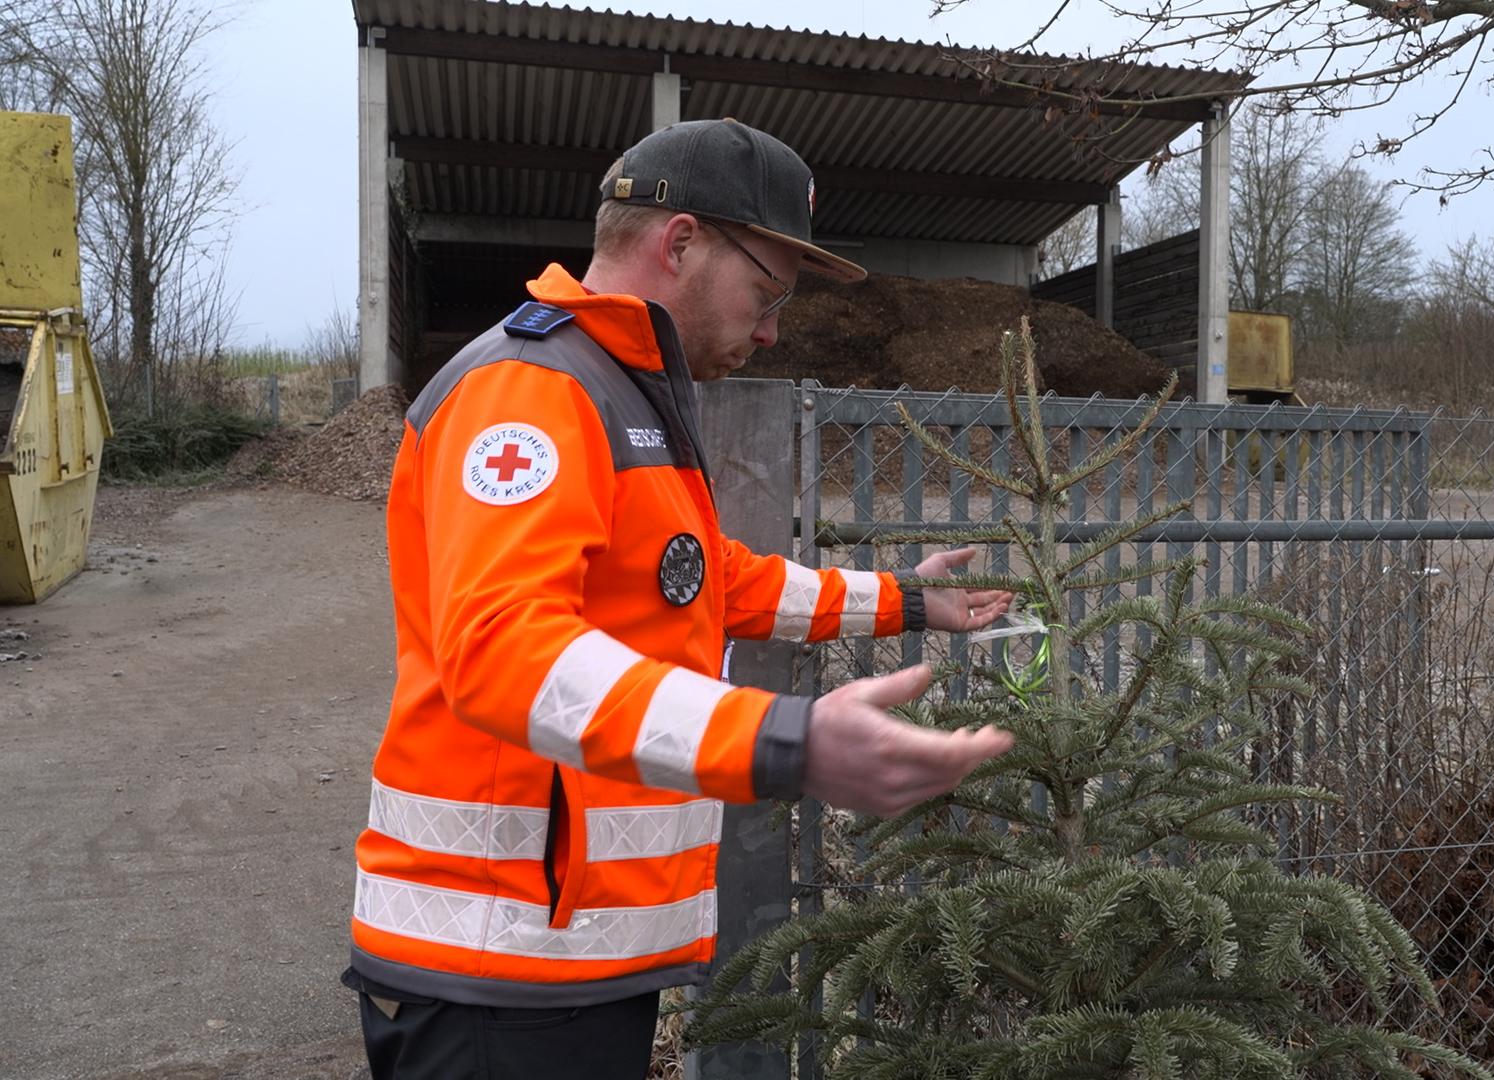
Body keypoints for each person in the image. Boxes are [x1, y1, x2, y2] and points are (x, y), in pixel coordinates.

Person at [341, 118, 1015, 1079]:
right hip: (494, 968)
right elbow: (502, 651)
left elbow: (701, 580)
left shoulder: (621, 389)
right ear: (682, 242)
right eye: (767, 289)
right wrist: (789, 741)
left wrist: (904, 601)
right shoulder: (533, 393)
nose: (774, 327)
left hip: (563, 956)